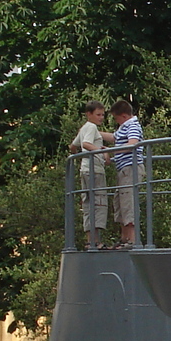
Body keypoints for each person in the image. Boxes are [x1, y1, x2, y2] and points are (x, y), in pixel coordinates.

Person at [70, 102, 110, 248]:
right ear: (89, 114)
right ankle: (96, 241)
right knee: (99, 202)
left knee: (88, 203)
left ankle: (90, 240)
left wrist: (80, 157)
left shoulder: (84, 128)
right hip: (95, 170)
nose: (101, 118)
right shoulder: (92, 127)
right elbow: (86, 144)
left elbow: (73, 147)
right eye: (98, 114)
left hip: (85, 169)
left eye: (103, 115)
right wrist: (102, 153)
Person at [109, 101, 145, 246]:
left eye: (116, 118)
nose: (115, 121)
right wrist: (94, 133)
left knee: (128, 202)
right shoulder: (124, 127)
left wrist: (112, 151)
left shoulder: (133, 126)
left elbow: (133, 143)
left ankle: (133, 240)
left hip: (130, 168)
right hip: (123, 170)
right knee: (120, 202)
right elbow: (114, 137)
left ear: (123, 116)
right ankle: (124, 238)